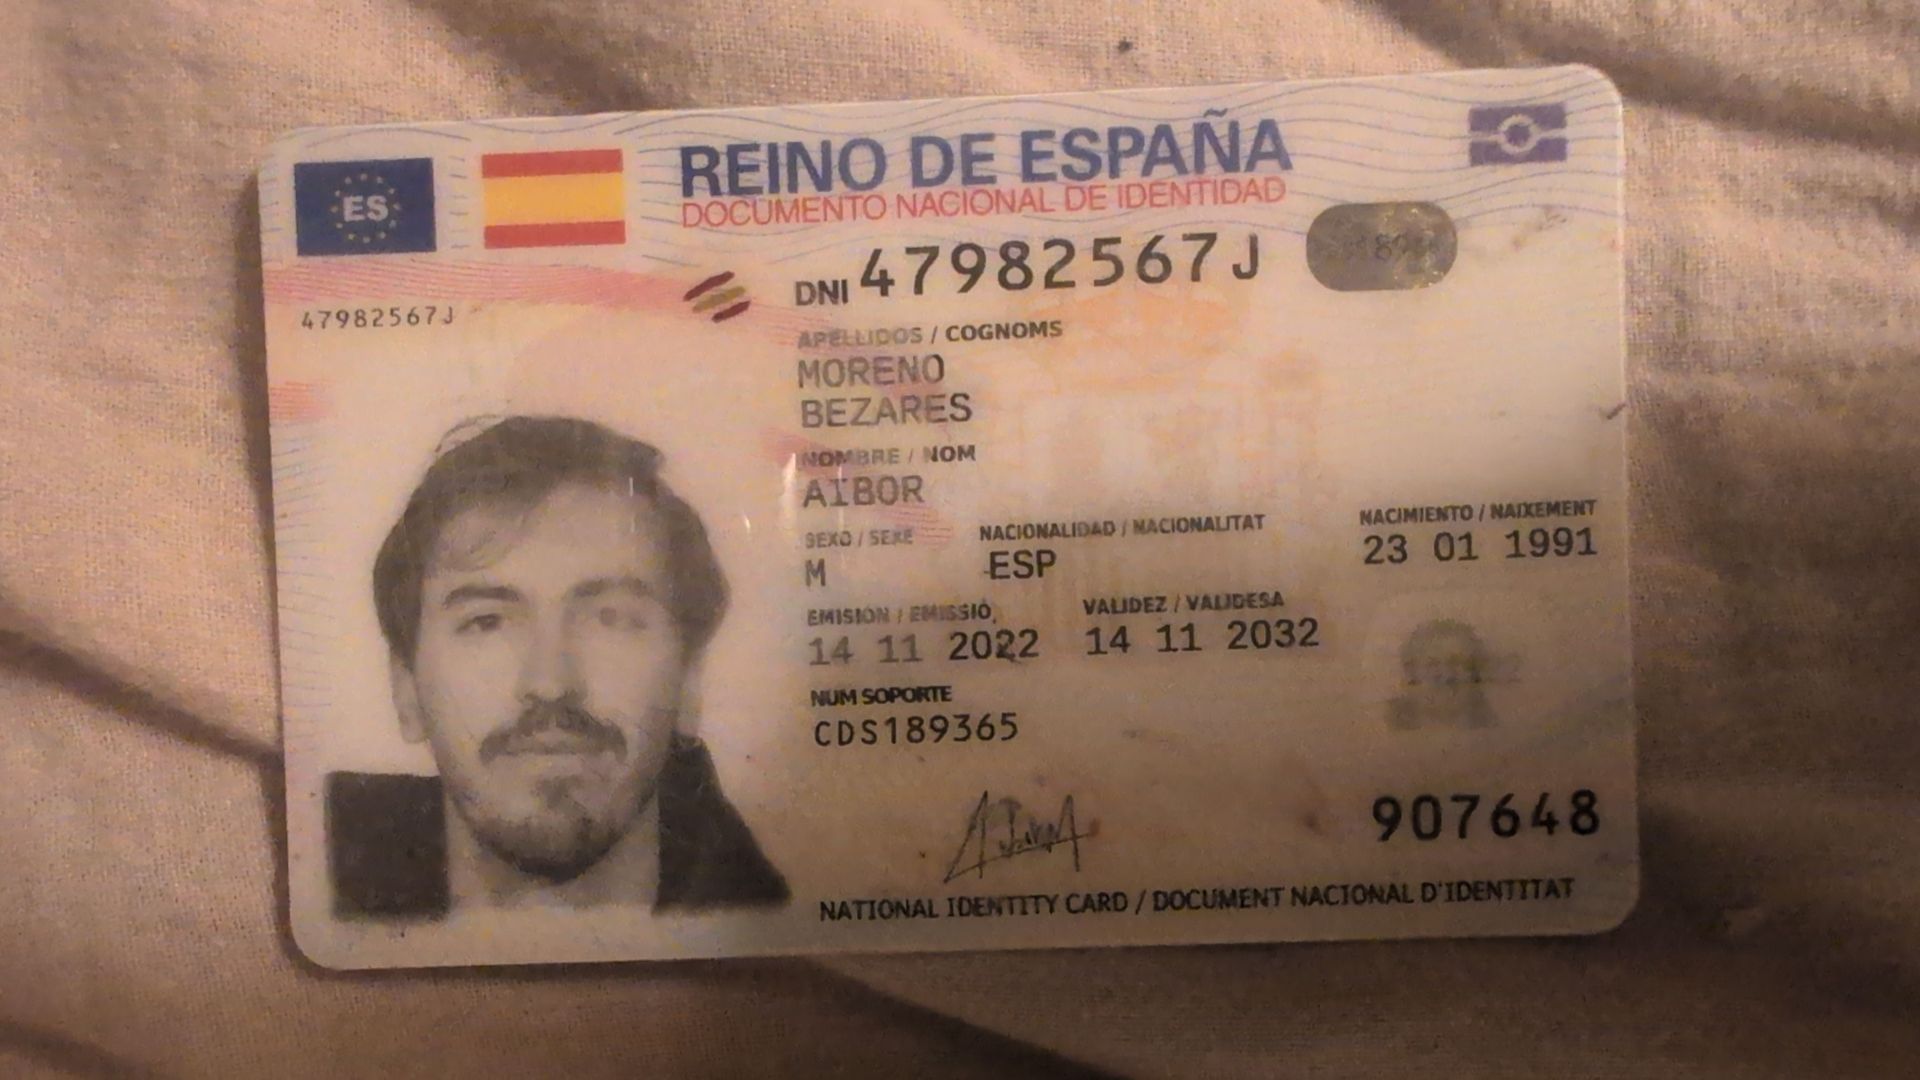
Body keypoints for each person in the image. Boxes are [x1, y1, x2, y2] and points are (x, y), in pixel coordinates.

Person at [328, 415, 787, 918]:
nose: (550, 683)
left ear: (690, 679)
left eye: (610, 619)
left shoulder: (791, 941)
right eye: (486, 622)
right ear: (405, 688)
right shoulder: (311, 858)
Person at [1385, 618, 1497, 732]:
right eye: (1433, 664)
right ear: (1411, 671)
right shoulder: (1386, 728)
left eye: (1455, 662)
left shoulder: (1493, 730)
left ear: (1474, 673)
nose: (1446, 674)